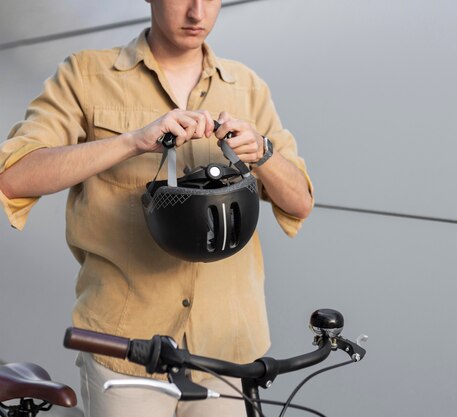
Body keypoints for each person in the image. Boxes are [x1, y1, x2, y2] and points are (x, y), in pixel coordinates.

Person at [0, 0, 313, 416]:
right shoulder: (86, 75)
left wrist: (264, 153)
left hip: (226, 351)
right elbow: (15, 176)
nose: (197, 13)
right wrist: (132, 142)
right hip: (125, 349)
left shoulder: (247, 87)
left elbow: (300, 202)